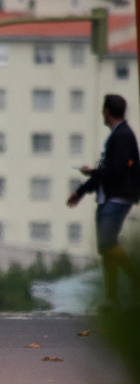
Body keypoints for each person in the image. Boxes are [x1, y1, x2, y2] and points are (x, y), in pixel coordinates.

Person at [67, 93, 140, 301]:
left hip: (117, 197)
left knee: (108, 244)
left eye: (103, 109)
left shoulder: (122, 136)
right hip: (109, 197)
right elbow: (107, 171)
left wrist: (91, 173)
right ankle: (112, 297)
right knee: (106, 249)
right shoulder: (119, 135)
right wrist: (82, 190)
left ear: (107, 111)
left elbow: (114, 171)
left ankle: (135, 281)